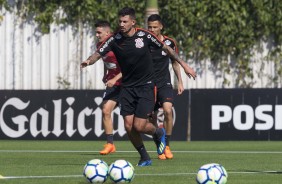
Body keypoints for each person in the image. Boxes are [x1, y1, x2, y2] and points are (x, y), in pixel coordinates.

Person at [81, 7, 196, 166]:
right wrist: (88, 61)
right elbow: (98, 53)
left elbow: (167, 49)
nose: (121, 24)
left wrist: (185, 66)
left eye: (125, 21)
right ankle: (144, 156)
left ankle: (158, 132)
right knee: (129, 126)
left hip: (146, 86)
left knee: (139, 125)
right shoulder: (114, 39)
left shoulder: (145, 35)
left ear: (133, 22)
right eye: (120, 21)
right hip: (127, 88)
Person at [147, 14, 184, 160]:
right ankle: (159, 144)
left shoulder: (170, 42)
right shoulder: (144, 42)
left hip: (164, 83)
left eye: (155, 27)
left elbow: (175, 62)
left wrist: (179, 81)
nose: (152, 29)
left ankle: (167, 146)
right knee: (151, 117)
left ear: (161, 27)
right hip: (148, 85)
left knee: (168, 110)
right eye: (149, 27)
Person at [94, 20, 122, 155]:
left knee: (137, 123)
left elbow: (129, 67)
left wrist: (115, 78)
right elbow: (107, 61)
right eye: (96, 32)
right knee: (105, 110)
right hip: (114, 85)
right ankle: (110, 144)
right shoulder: (100, 45)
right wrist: (106, 74)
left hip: (128, 84)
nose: (97, 35)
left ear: (107, 32)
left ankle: (159, 135)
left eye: (99, 32)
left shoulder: (117, 44)